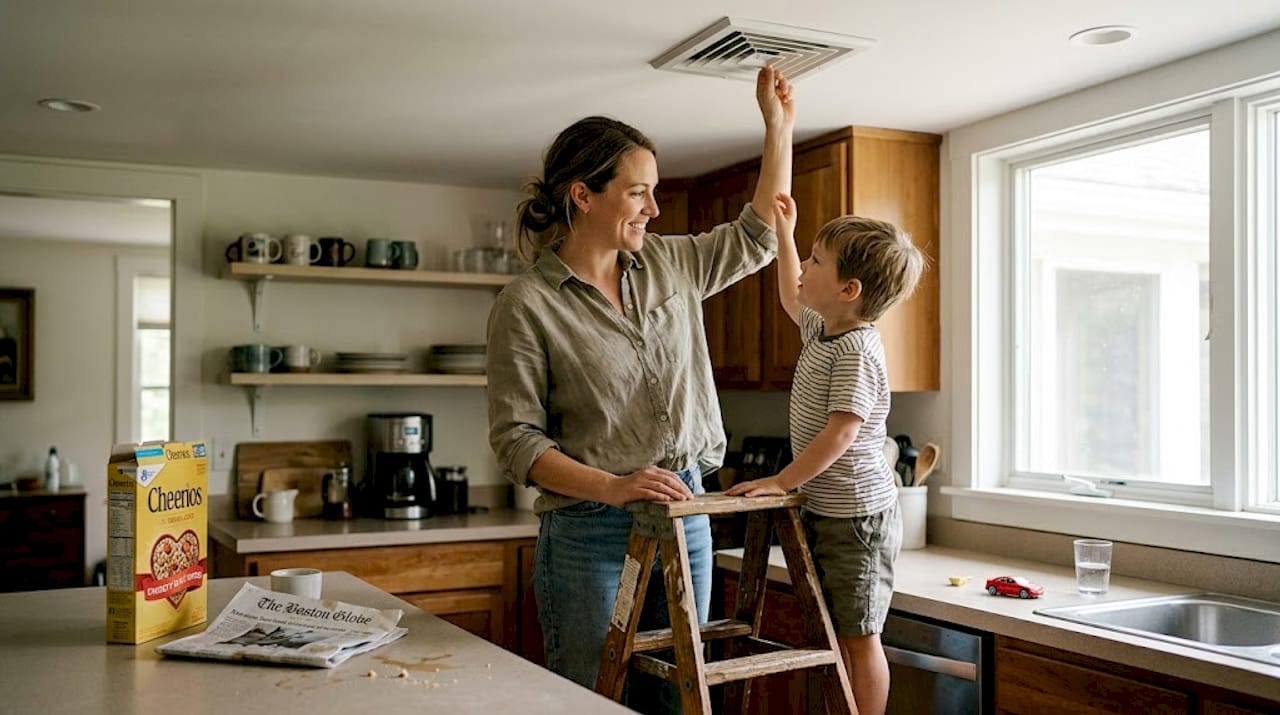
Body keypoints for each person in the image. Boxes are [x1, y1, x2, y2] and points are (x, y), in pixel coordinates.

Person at [486, 66, 795, 705]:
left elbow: (757, 236)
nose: (654, 208)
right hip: (590, 533)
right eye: (638, 193)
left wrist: (778, 128)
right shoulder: (528, 303)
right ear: (583, 196)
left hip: (688, 515)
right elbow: (517, 441)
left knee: (684, 697)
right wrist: (616, 488)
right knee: (595, 697)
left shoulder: (671, 262)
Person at [726, 195, 924, 715]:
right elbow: (793, 298)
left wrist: (781, 480)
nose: (805, 270)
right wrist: (787, 237)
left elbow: (839, 435)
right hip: (828, 510)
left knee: (859, 637)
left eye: (817, 261)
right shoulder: (824, 330)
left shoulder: (857, 350)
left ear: (848, 290)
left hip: (858, 519)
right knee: (837, 633)